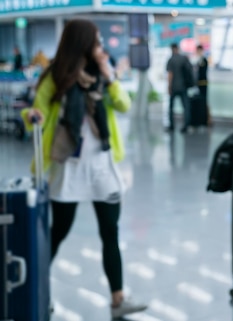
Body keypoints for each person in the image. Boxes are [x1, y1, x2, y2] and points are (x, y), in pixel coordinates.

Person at [21, 18, 147, 319]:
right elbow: (33, 113)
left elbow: (124, 106)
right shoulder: (56, 76)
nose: (100, 46)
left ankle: (118, 299)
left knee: (110, 231)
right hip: (67, 166)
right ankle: (34, 291)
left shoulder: (101, 74)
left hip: (102, 165)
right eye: (96, 41)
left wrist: (110, 76)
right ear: (82, 42)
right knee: (58, 232)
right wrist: (32, 115)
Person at [165, 42, 192, 133]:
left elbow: (170, 74)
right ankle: (186, 125)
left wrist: (169, 86)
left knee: (171, 107)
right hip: (183, 86)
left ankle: (172, 126)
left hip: (174, 87)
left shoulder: (171, 60)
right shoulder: (184, 58)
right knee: (186, 107)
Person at [195, 44, 212, 126]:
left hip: (203, 83)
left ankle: (208, 119)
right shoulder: (198, 60)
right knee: (201, 101)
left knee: (205, 101)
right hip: (199, 83)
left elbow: (202, 72)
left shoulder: (204, 60)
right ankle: (202, 118)